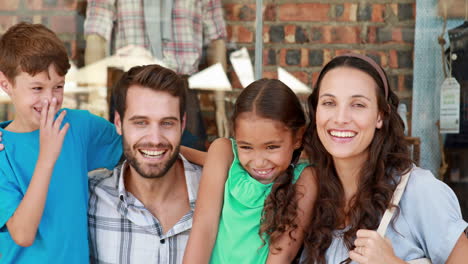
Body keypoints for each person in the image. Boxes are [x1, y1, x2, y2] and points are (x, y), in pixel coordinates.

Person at [300, 54, 468, 264]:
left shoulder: (418, 191)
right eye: (329, 103)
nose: (340, 118)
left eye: (358, 104)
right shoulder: (310, 195)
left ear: (380, 115)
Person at [0, 22, 121, 263]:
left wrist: (214, 157)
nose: (50, 100)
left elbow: (144, 145)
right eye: (37, 88)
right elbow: (23, 234)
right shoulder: (3, 151)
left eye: (58, 87)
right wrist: (47, 156)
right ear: (6, 84)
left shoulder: (80, 127)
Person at [183, 79, 317, 263]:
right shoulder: (224, 152)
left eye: (271, 147)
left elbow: (282, 255)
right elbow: (203, 228)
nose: (259, 162)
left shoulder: (306, 179)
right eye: (246, 147)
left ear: (298, 137)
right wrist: (172, 149)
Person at [87, 64, 203, 263]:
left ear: (182, 125)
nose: (155, 139)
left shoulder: (219, 192)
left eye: (167, 123)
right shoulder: (89, 197)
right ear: (118, 123)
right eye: (140, 122)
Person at [84, 0, 229, 148]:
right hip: (132, 89)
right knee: (128, 162)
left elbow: (216, 40)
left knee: (189, 162)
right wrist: (96, 98)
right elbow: (96, 35)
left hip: (181, 90)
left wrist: (220, 105)